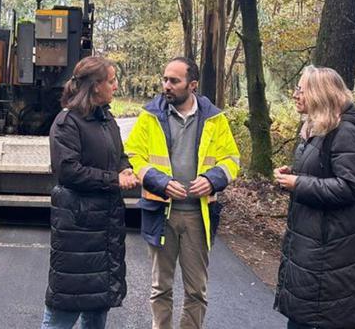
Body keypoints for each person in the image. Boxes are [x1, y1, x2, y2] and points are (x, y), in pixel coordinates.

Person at [125, 56, 241, 329]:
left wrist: (212, 180)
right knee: (160, 288)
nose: (166, 85)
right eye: (165, 79)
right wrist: (160, 181)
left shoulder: (215, 119)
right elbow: (134, 156)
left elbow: (231, 160)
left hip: (198, 218)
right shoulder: (149, 116)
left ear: (192, 85)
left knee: (196, 291)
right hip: (161, 213)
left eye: (174, 81)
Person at [42, 56, 139, 329]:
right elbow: (68, 171)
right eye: (111, 81)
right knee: (63, 310)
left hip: (106, 228)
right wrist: (114, 180)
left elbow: (119, 155)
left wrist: (126, 169)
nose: (116, 86)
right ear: (96, 86)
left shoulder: (106, 119)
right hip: (78, 229)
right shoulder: (67, 123)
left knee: (97, 307)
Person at [273, 65, 355, 329]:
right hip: (312, 247)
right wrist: (291, 177)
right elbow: (323, 173)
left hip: (330, 254)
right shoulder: (319, 129)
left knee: (315, 320)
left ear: (319, 94)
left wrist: (299, 183)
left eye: (301, 89)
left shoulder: (344, 132)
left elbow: (351, 187)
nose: (295, 95)